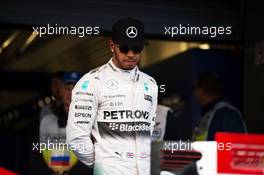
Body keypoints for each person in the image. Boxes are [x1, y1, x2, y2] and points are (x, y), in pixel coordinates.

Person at [66, 17, 158, 175]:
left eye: (136, 48)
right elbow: (76, 138)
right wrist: (103, 163)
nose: (131, 54)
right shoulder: (92, 81)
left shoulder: (150, 83)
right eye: (124, 48)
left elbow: (148, 131)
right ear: (112, 46)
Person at [39, 72, 91, 175]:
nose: (71, 93)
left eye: (75, 89)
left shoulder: (93, 121)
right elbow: (37, 154)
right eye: (67, 89)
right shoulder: (48, 121)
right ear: (61, 91)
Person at [192, 72, 246, 141]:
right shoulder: (209, 113)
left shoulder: (226, 114)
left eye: (194, 88)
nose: (194, 93)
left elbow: (234, 146)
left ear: (202, 91)